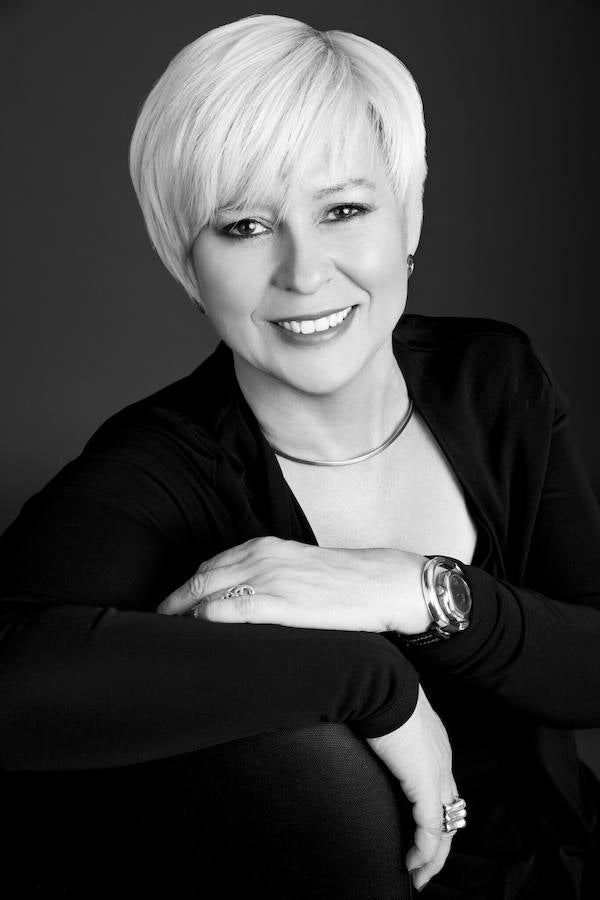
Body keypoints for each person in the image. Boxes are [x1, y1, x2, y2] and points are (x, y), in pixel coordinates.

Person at [1, 12, 599, 899]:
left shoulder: (492, 374)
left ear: (410, 215)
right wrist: (368, 681)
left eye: (345, 210)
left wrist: (411, 589)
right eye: (244, 226)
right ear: (186, 262)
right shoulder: (159, 465)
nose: (304, 271)